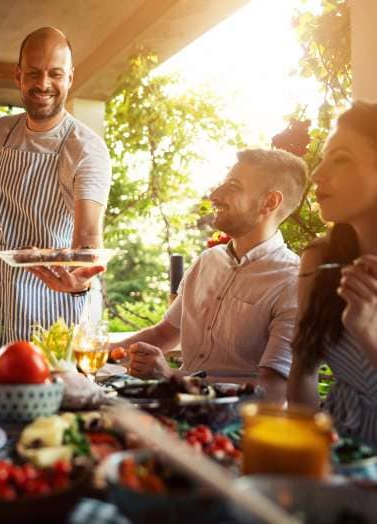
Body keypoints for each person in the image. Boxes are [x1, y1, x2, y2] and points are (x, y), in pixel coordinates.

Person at [0, 27, 111, 357]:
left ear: (69, 77)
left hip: (55, 300)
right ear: (18, 75)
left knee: (50, 400)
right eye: (34, 73)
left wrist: (80, 279)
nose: (43, 84)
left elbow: (87, 233)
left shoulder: (86, 148)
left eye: (55, 74)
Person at [111, 149, 309, 401]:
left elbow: (274, 390)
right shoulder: (207, 261)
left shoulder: (293, 282)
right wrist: (89, 354)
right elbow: (164, 334)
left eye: (233, 186)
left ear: (270, 202)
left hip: (237, 428)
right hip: (179, 410)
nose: (214, 196)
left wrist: (171, 377)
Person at [288, 102, 377, 445]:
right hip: (333, 460)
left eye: (340, 158)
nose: (317, 174)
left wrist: (370, 336)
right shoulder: (320, 259)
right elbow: (302, 372)